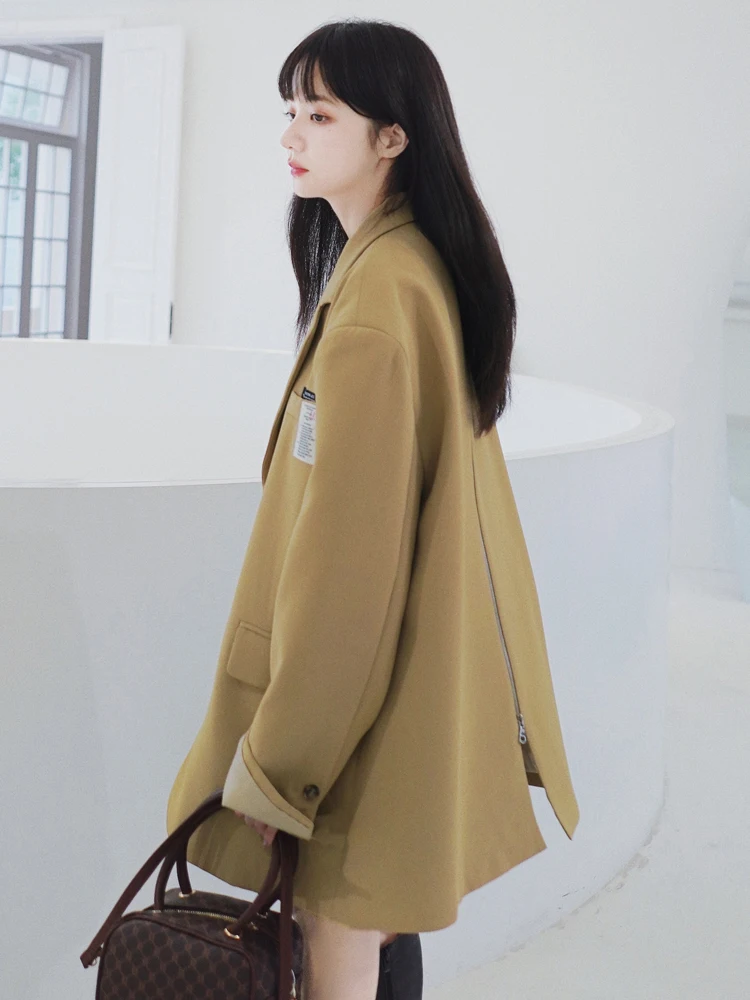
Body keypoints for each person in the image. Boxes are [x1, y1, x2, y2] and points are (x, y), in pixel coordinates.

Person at [165, 17, 580, 1000]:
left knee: (342, 933)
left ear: (393, 136)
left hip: (354, 725)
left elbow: (349, 582)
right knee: (374, 928)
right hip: (394, 703)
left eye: (320, 114)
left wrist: (282, 766)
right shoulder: (408, 271)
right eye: (290, 111)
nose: (291, 135)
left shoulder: (377, 307)